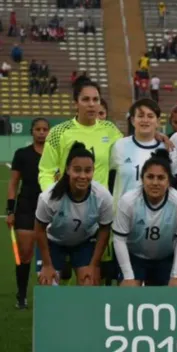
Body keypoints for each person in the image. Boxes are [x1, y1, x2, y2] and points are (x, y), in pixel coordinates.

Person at [37, 80, 122, 282]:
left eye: (96, 100)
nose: (92, 104)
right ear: (76, 102)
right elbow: (46, 170)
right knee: (51, 285)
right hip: (63, 214)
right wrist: (56, 199)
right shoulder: (59, 132)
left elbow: (130, 153)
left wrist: (161, 137)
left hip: (93, 217)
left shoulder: (110, 131)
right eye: (86, 99)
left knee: (90, 282)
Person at [35, 142, 113, 286]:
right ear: (68, 170)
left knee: (89, 284)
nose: (83, 176)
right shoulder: (49, 197)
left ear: (93, 171)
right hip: (53, 242)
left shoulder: (103, 196)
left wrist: (93, 265)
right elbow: (39, 229)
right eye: (77, 170)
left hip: (84, 243)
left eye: (88, 170)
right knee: (47, 285)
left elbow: (104, 229)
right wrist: (47, 265)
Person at [112, 150, 177, 287]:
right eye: (150, 177)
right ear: (142, 178)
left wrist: (176, 274)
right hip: (134, 258)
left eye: (161, 178)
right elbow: (119, 239)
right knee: (128, 291)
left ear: (169, 181)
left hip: (166, 258)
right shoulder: (128, 201)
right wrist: (128, 276)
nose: (155, 182)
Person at [6, 118, 50, 309]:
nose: (41, 132)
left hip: (49, 210)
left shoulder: (54, 154)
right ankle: (21, 295)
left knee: (50, 256)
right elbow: (13, 184)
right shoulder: (22, 154)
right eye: (38, 129)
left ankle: (50, 296)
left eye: (45, 129)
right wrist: (10, 210)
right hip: (26, 209)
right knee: (25, 255)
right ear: (32, 131)